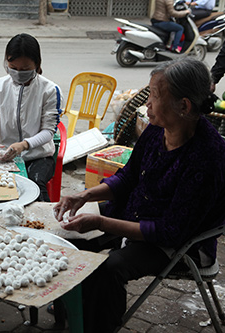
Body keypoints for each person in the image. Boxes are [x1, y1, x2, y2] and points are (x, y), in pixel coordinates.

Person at [53, 58, 225, 333]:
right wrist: (84, 195)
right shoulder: (156, 130)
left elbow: (169, 231)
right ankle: (69, 314)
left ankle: (98, 325)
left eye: (154, 96)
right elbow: (129, 176)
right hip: (138, 214)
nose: (147, 104)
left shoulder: (207, 157)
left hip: (180, 243)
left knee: (107, 268)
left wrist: (99, 223)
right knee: (68, 242)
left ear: (184, 106)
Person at [0, 33, 62, 202]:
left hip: (38, 156)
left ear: (37, 65)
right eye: (13, 68)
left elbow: (48, 131)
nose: (18, 73)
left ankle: (43, 224)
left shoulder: (50, 90)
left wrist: (24, 145)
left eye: (25, 70)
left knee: (35, 187)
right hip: (4, 154)